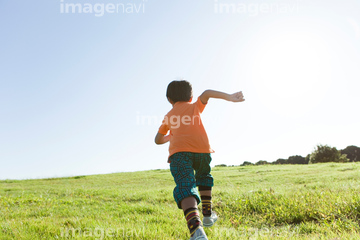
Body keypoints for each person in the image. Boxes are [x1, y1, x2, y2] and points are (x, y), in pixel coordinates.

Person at [155, 80, 245, 240]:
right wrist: (230, 97)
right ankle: (208, 215)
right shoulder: (194, 106)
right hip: (202, 150)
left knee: (186, 185)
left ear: (169, 99)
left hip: (179, 153)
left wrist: (171, 136)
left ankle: (197, 230)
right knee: (204, 178)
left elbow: (158, 139)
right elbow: (207, 93)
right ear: (190, 97)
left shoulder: (168, 116)